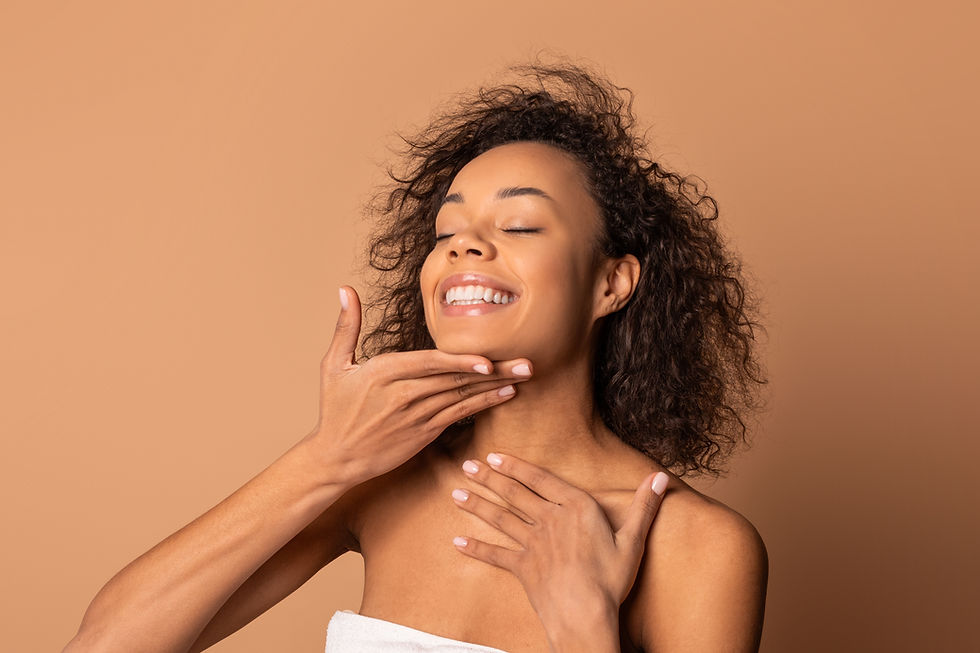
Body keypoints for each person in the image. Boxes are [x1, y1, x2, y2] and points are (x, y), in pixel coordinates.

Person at [64, 59, 769, 653]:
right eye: (446, 230)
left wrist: (584, 625)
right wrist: (326, 458)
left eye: (520, 223)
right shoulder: (377, 483)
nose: (463, 245)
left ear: (612, 282)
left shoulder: (695, 546)